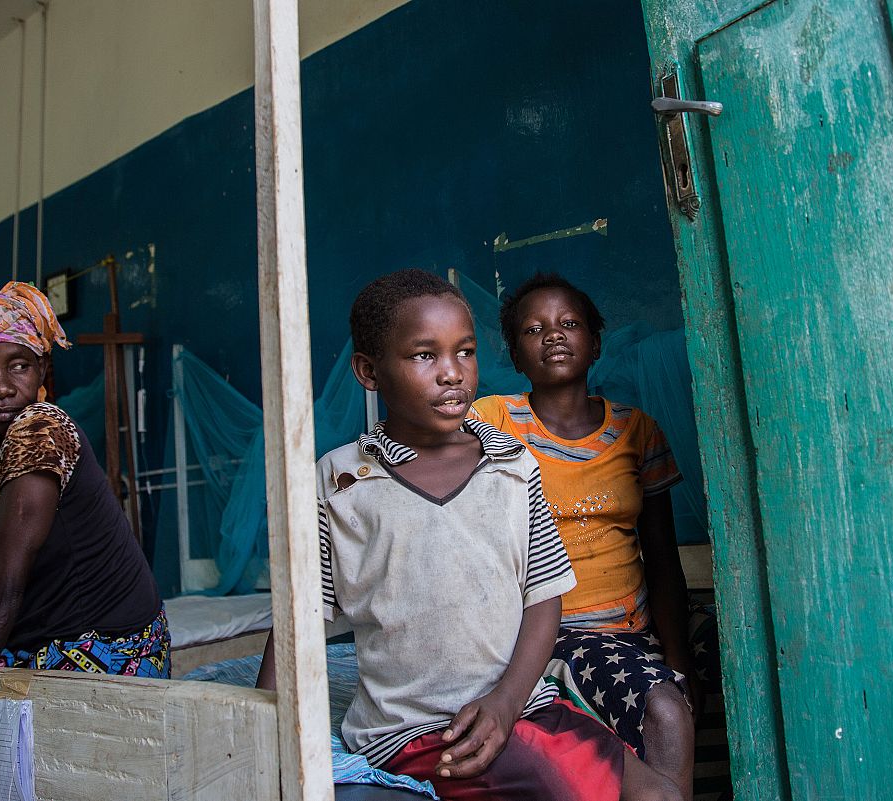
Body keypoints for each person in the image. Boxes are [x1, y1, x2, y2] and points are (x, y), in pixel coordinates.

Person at [257, 269, 680, 801]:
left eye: (465, 352)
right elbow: (297, 622)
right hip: (419, 733)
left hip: (524, 707)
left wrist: (506, 702)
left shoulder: (512, 466)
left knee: (659, 794)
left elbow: (543, 599)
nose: (452, 374)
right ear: (368, 371)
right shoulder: (341, 482)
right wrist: (262, 738)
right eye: (423, 356)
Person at [470, 272, 698, 796]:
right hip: (548, 631)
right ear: (515, 355)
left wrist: (677, 655)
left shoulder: (636, 430)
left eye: (569, 324)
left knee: (725, 675)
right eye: (534, 329)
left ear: (595, 344)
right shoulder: (494, 420)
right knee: (664, 708)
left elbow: (662, 557)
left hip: (631, 626)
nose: (553, 335)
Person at [0, 281, 168, 677]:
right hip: (46, 640)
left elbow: (0, 594)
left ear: (40, 371)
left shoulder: (41, 428)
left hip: (108, 649)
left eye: (19, 365)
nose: (1, 387)